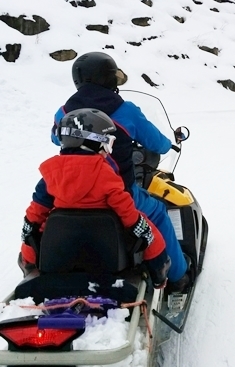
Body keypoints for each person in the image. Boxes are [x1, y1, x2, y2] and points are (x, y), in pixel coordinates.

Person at [50, 52, 190, 292]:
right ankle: (178, 276)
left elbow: (55, 138)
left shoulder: (64, 111)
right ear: (109, 79)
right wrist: (170, 143)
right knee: (157, 211)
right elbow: (155, 142)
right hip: (118, 194)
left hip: (69, 195)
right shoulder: (125, 110)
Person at [20, 108, 171, 288]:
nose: (108, 151)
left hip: (60, 243)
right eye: (108, 144)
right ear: (93, 143)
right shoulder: (105, 173)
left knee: (33, 231)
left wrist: (29, 235)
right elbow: (125, 209)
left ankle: (30, 268)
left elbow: (36, 211)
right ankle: (158, 274)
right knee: (149, 231)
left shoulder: (49, 175)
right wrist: (139, 227)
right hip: (104, 248)